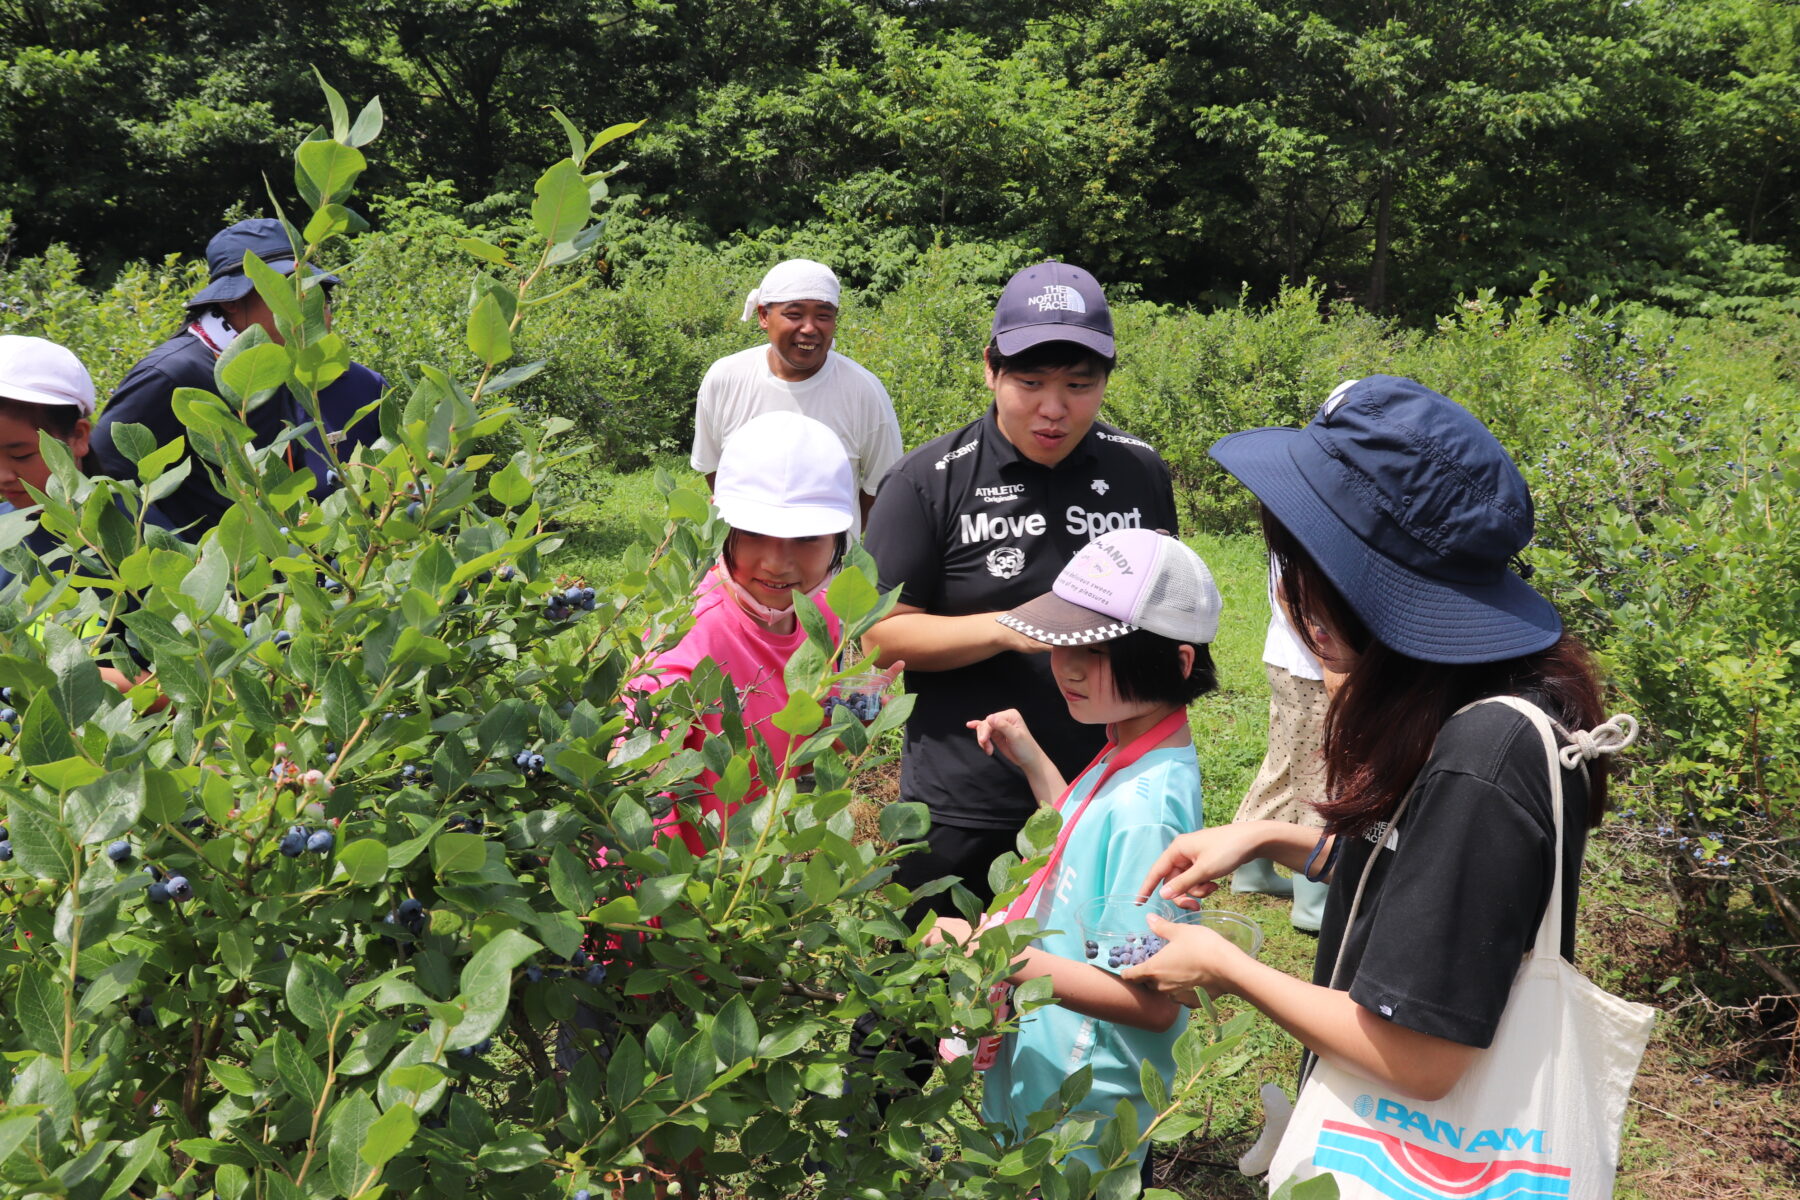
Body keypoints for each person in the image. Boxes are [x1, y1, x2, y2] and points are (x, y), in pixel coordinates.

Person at [1124, 375, 1611, 1107]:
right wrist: (1267, 838)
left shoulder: (1481, 759)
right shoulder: (1468, 702)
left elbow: (1419, 1057)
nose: (1291, 594)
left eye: (1303, 567)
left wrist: (1229, 969)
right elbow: (1426, 873)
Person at [863, 260, 1179, 922]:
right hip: (958, 804)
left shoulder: (1139, 473)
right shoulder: (927, 481)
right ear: (990, 369)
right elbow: (877, 636)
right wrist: (1011, 627)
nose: (1054, 409)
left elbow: (1164, 619)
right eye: (1030, 383)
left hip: (1103, 792)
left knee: (1068, 999)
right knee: (925, 1006)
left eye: (1079, 385)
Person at [923, 527, 1220, 1182]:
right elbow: (1085, 851)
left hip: (1083, 1102)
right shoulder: (1129, 744)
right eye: (1068, 643)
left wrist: (992, 950)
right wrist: (1033, 760)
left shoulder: (1151, 806)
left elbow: (1153, 1002)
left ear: (1177, 663)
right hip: (1051, 1059)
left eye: (1104, 651)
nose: (1071, 668)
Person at [633, 410, 868, 854]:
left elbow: (799, 749)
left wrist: (850, 717)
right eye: (755, 533)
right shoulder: (689, 635)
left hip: (756, 869)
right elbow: (634, 781)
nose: (777, 563)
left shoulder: (823, 614)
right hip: (686, 887)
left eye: (806, 538)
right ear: (722, 529)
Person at [90, 218, 384, 537]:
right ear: (231, 300)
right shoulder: (173, 375)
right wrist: (183, 560)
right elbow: (102, 482)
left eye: (319, 292)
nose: (315, 307)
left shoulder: (326, 376)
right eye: (288, 291)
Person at [0, 334, 175, 694]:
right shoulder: (7, 527)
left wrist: (34, 670)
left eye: (19, 455)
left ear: (79, 437)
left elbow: (187, 690)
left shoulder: (139, 541)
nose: (2, 474)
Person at [689, 258, 902, 536]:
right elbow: (716, 470)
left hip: (828, 573)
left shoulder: (864, 392)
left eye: (824, 315)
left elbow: (879, 491)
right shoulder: (725, 379)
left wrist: (825, 541)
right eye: (794, 314)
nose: (810, 328)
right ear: (764, 316)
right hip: (740, 564)